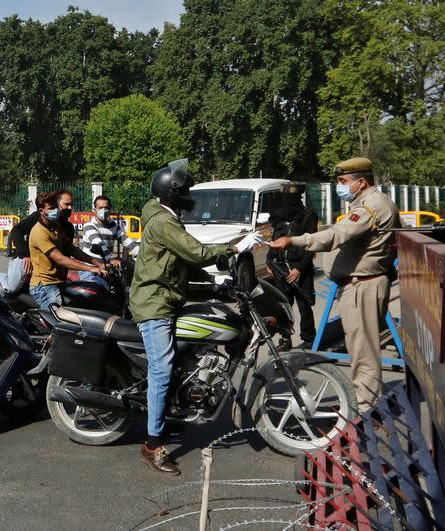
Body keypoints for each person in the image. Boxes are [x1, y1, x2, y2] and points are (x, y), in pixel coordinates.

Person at [130, 159, 263, 475]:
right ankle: (151, 446)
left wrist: (214, 279)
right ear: (172, 192)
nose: (190, 195)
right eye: (186, 190)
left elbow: (180, 260)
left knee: (187, 352)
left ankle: (171, 411)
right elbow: (196, 251)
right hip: (154, 304)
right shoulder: (164, 222)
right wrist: (232, 247)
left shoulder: (165, 216)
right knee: (162, 371)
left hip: (167, 298)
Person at [269, 157, 399, 411]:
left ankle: (366, 411)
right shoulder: (367, 204)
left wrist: (293, 241)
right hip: (360, 285)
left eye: (343, 182)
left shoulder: (371, 206)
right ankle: (367, 402)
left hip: (363, 286)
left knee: (364, 354)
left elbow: (337, 235)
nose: (340, 186)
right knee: (360, 349)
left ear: (360, 182)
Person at [28, 191, 106, 308]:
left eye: (56, 206)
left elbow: (71, 249)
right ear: (41, 211)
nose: (55, 210)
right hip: (44, 285)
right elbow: (60, 259)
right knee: (59, 321)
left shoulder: (56, 226)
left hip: (59, 281)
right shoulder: (39, 232)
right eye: (51, 208)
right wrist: (90, 269)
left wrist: (96, 262)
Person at [265, 183, 318, 350]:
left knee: (304, 305)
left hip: (300, 267)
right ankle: (285, 338)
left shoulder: (308, 216)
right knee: (283, 305)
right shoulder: (279, 216)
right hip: (280, 267)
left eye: (290, 199)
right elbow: (274, 240)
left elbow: (312, 246)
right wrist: (270, 261)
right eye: (284, 198)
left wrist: (299, 269)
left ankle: (309, 339)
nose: (286, 202)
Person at [8, 189, 76, 280]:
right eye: (66, 204)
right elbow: (16, 231)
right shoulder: (40, 217)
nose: (70, 208)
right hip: (28, 263)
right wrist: (25, 255)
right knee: (12, 288)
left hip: (51, 275)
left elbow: (67, 253)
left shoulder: (68, 227)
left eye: (71, 205)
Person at [78, 194, 139, 285]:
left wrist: (143, 256)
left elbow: (128, 242)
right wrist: (110, 260)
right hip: (90, 270)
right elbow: (98, 244)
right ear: (95, 210)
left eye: (106, 207)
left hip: (106, 269)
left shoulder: (113, 225)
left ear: (110, 209)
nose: (103, 210)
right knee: (102, 289)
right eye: (100, 207)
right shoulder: (89, 225)